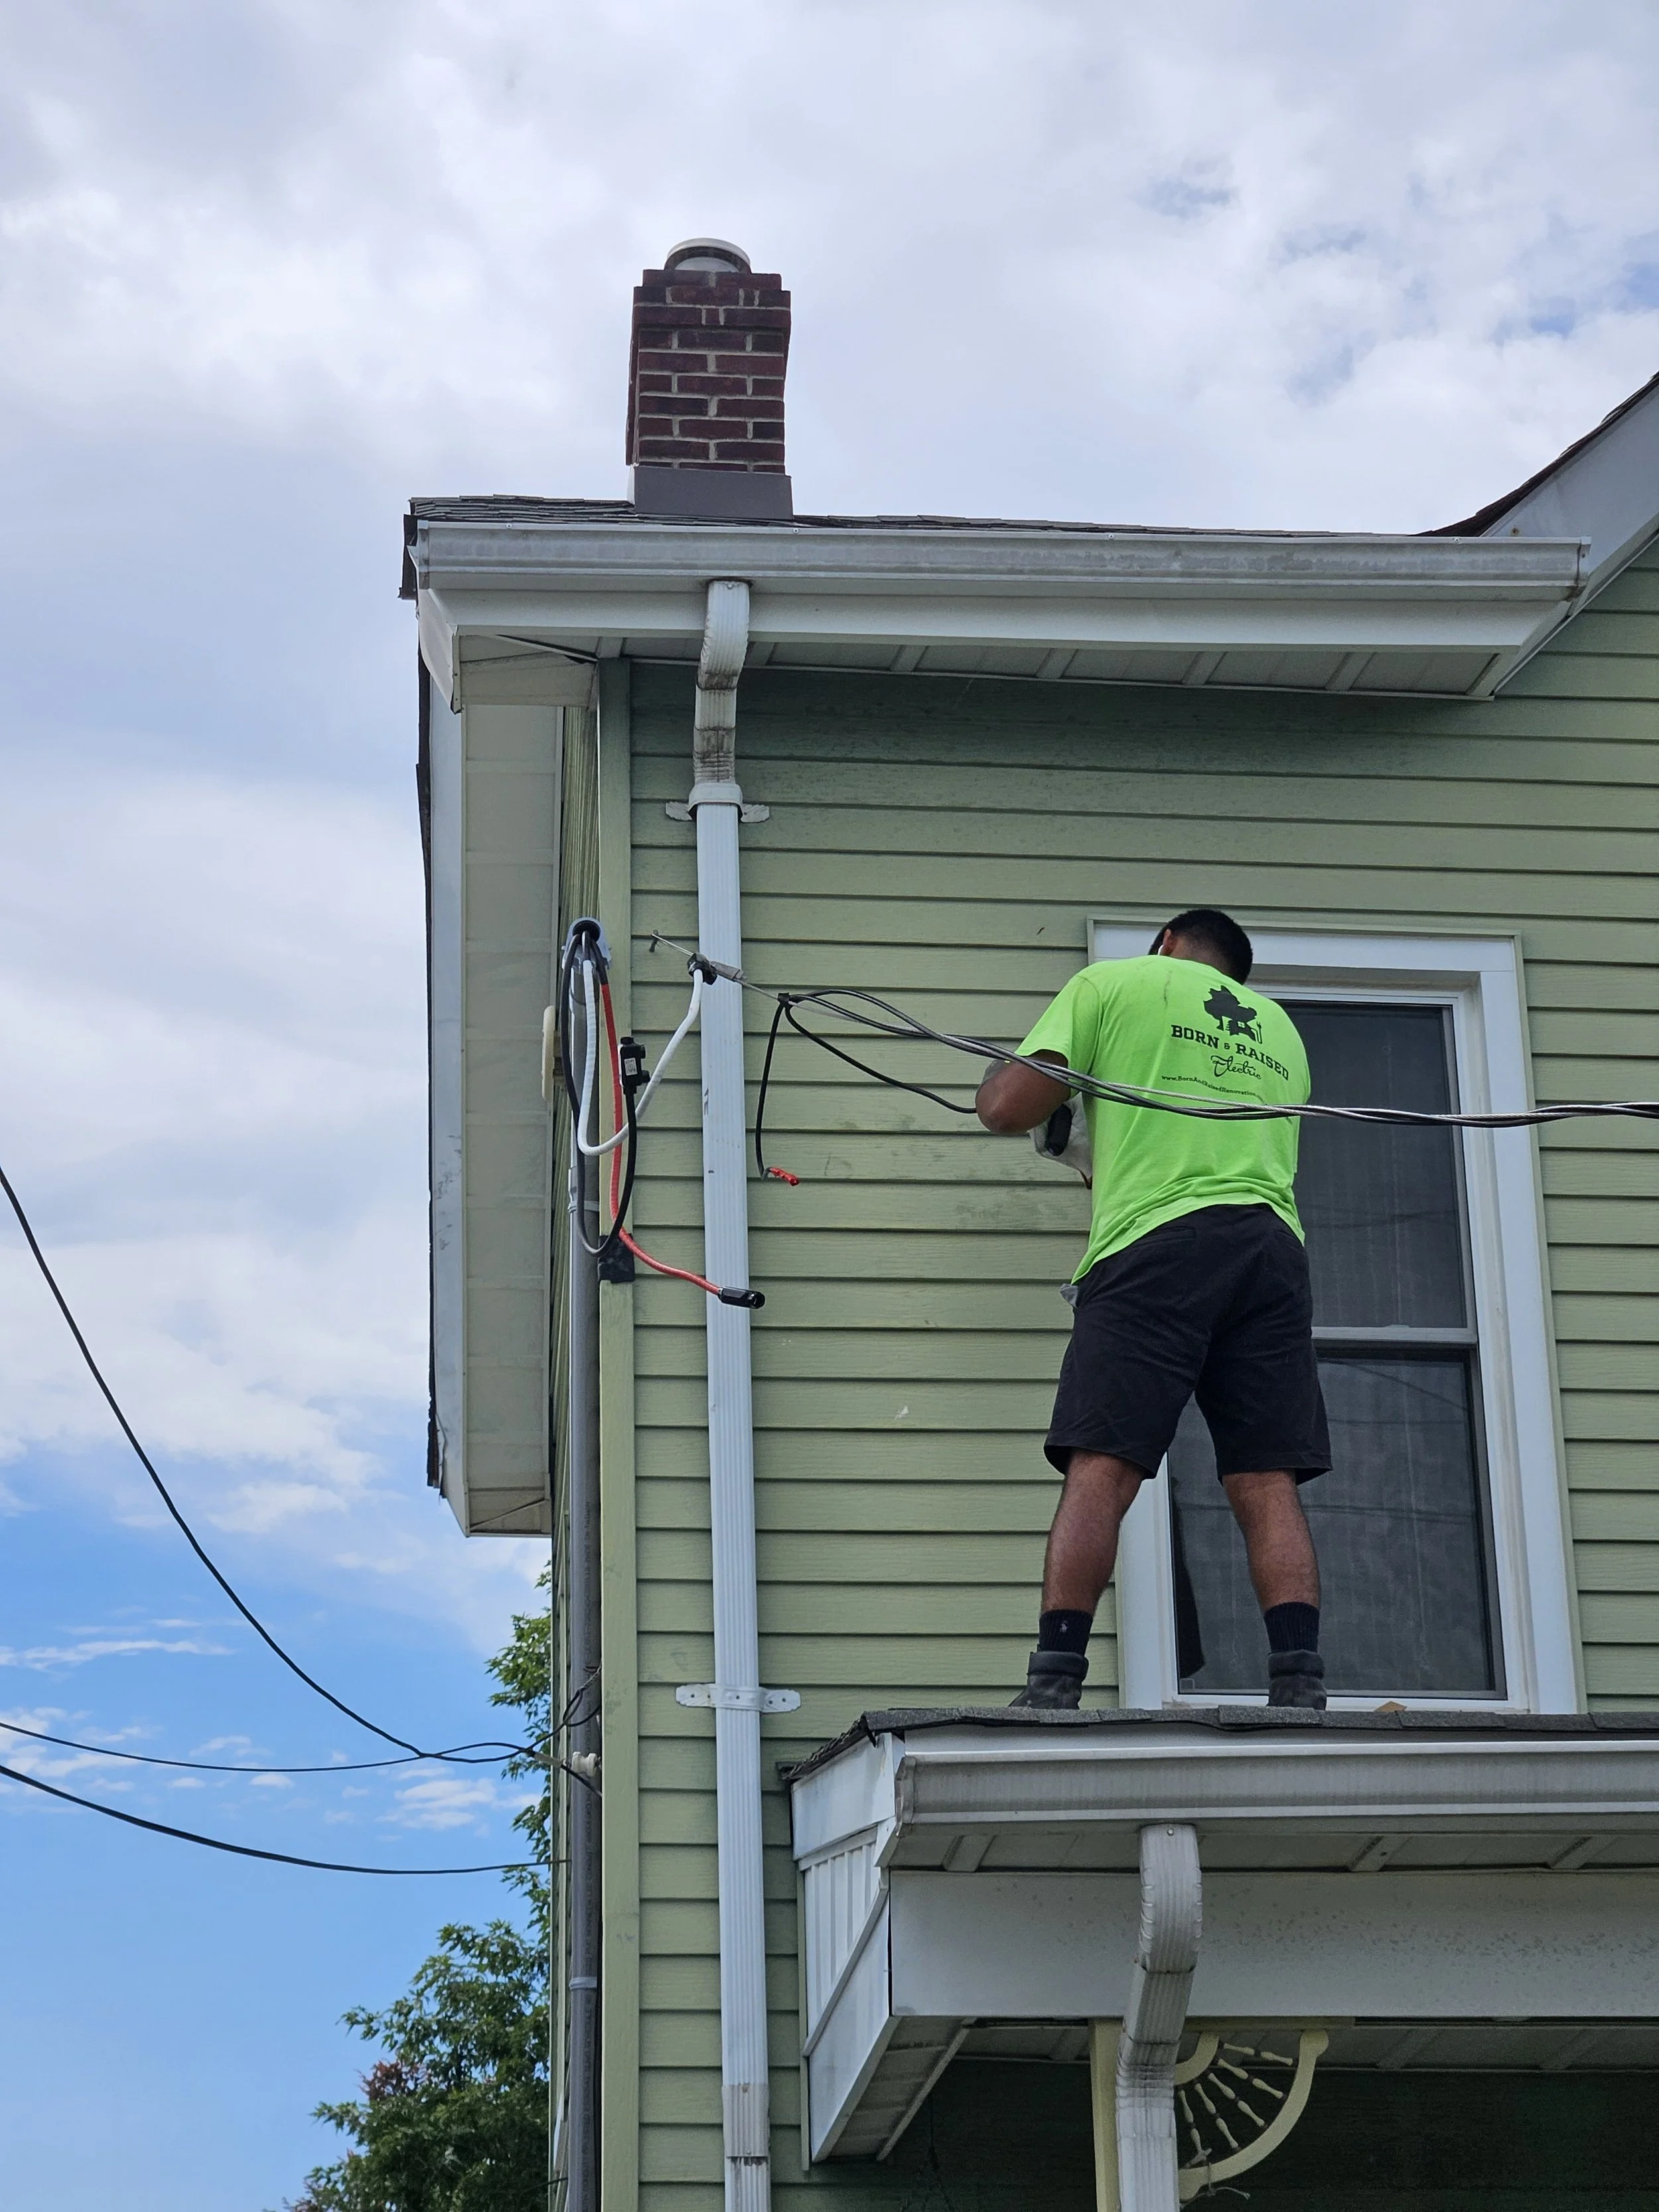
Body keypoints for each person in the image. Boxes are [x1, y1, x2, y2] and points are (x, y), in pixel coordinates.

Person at [975, 909, 1329, 1712]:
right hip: (1270, 1250)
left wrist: (1013, 1084)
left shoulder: (1114, 983)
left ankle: (1054, 1680)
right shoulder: (1278, 1033)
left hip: (1158, 1244)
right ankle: (1299, 1679)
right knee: (1266, 1476)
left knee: (1102, 1461)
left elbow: (1005, 1107)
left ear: (1166, 942)